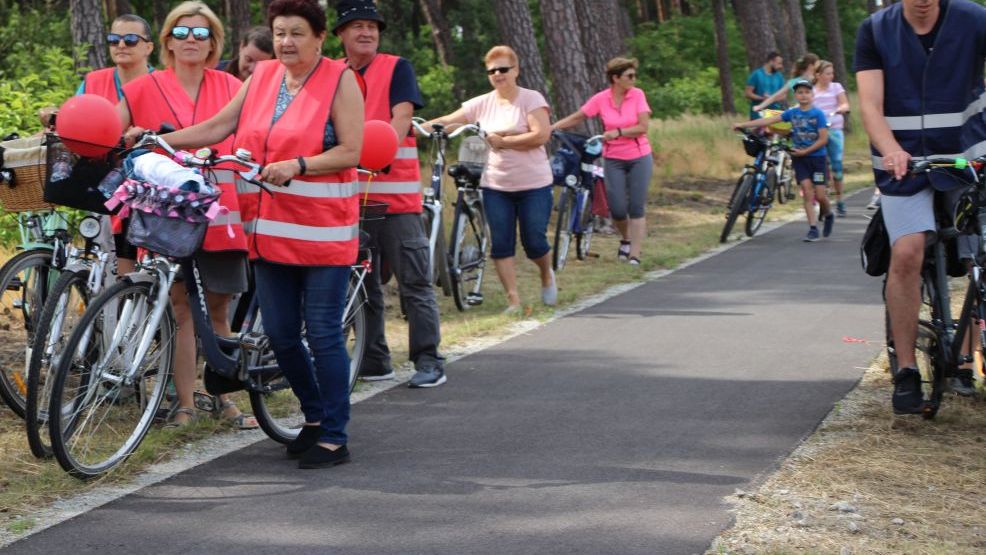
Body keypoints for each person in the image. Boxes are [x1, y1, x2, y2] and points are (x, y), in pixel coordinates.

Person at [142, 0, 364, 467]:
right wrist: (161, 142)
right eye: (279, 32)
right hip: (268, 231)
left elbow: (350, 150)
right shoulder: (261, 76)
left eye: (297, 33)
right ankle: (314, 417)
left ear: (320, 38)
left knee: (322, 332)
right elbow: (222, 125)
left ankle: (335, 435)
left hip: (324, 234)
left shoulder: (340, 80)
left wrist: (300, 164)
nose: (286, 41)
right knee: (281, 336)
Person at [118, 1, 255, 429]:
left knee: (219, 307)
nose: (190, 40)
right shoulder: (142, 87)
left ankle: (227, 398)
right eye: (181, 32)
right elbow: (116, 133)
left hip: (220, 209)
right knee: (178, 306)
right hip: (165, 210)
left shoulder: (232, 85)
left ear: (214, 42)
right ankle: (184, 403)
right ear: (167, 42)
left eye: (200, 33)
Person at [856, 0, 986, 412]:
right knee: (908, 253)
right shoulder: (875, 30)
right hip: (904, 165)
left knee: (980, 253)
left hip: (970, 155)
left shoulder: (976, 19)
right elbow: (870, 106)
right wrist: (892, 150)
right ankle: (908, 370)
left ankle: (967, 353)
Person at [333, 0, 446, 388]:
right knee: (363, 286)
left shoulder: (397, 67)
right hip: (351, 199)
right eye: (357, 26)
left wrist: (379, 148)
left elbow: (401, 116)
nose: (366, 32)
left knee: (413, 280)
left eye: (373, 26)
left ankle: (429, 359)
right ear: (340, 34)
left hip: (396, 200)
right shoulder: (333, 73)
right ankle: (374, 358)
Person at [426, 45, 556, 313]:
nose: (498, 74)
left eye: (503, 69)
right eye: (492, 70)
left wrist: (504, 141)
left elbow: (541, 135)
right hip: (496, 185)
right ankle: (513, 300)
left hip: (534, 184)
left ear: (516, 70)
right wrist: (409, 127)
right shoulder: (481, 103)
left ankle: (546, 273)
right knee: (501, 243)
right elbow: (449, 120)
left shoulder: (531, 99)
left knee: (534, 242)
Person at [552, 57, 653, 265]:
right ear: (616, 78)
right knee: (616, 208)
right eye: (630, 76)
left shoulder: (637, 95)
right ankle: (625, 238)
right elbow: (578, 116)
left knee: (636, 206)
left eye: (634, 75)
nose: (634, 79)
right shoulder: (601, 99)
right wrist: (552, 128)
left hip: (639, 156)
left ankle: (634, 254)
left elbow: (643, 127)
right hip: (613, 158)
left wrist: (618, 132)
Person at [734, 79, 831, 242]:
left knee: (820, 196)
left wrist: (805, 151)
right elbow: (768, 121)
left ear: (812, 95)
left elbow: (823, 140)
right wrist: (743, 124)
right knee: (807, 192)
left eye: (807, 92)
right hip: (800, 160)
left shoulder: (818, 114)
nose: (804, 95)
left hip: (817, 159)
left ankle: (828, 214)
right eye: (800, 92)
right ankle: (813, 228)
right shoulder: (792, 113)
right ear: (796, 95)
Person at [812, 60, 851, 217]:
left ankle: (840, 199)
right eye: (827, 73)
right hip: (817, 132)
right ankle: (822, 198)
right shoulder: (812, 91)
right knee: (820, 165)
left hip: (834, 130)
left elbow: (844, 104)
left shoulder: (836, 87)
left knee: (836, 165)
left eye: (832, 73)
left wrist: (840, 110)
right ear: (818, 75)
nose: (830, 76)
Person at [753, 53, 819, 115]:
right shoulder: (793, 82)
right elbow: (775, 96)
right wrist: (760, 106)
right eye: (818, 65)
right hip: (796, 115)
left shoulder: (817, 80)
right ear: (811, 66)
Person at [744, 52, 785, 119]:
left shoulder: (779, 76)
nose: (781, 66)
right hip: (758, 114)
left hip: (774, 113)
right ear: (771, 62)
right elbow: (747, 93)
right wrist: (762, 98)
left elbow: (783, 95)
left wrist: (772, 98)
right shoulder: (757, 74)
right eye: (779, 63)